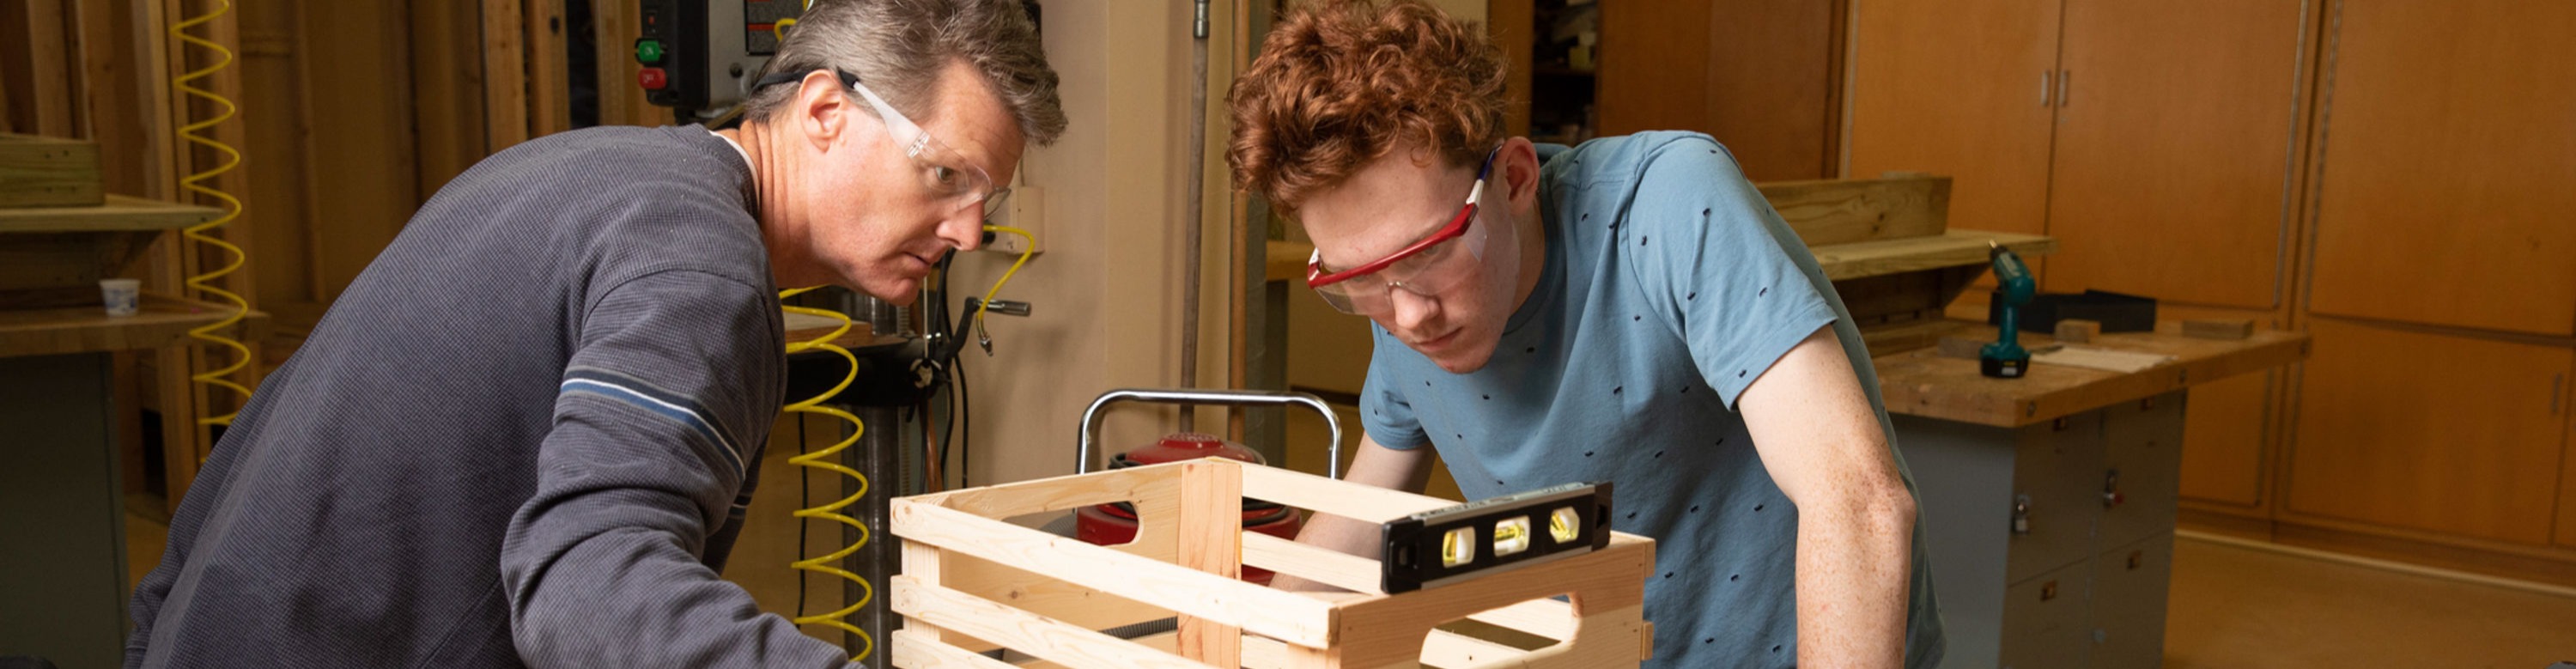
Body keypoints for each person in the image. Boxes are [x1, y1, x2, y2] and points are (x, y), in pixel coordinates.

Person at [123, 1, 1063, 666]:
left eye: (989, 199)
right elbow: (589, 587)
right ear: (823, 111)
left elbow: (254, 443)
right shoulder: (700, 263)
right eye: (946, 176)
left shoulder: (585, 171)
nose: (971, 233)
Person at [1225, 2, 1942, 666]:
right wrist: (1244, 639)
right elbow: (1362, 525)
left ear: (1512, 178)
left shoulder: (1667, 204)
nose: (1408, 314)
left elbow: (1859, 500)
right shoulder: (1404, 302)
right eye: (1360, 278)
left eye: (1428, 255)